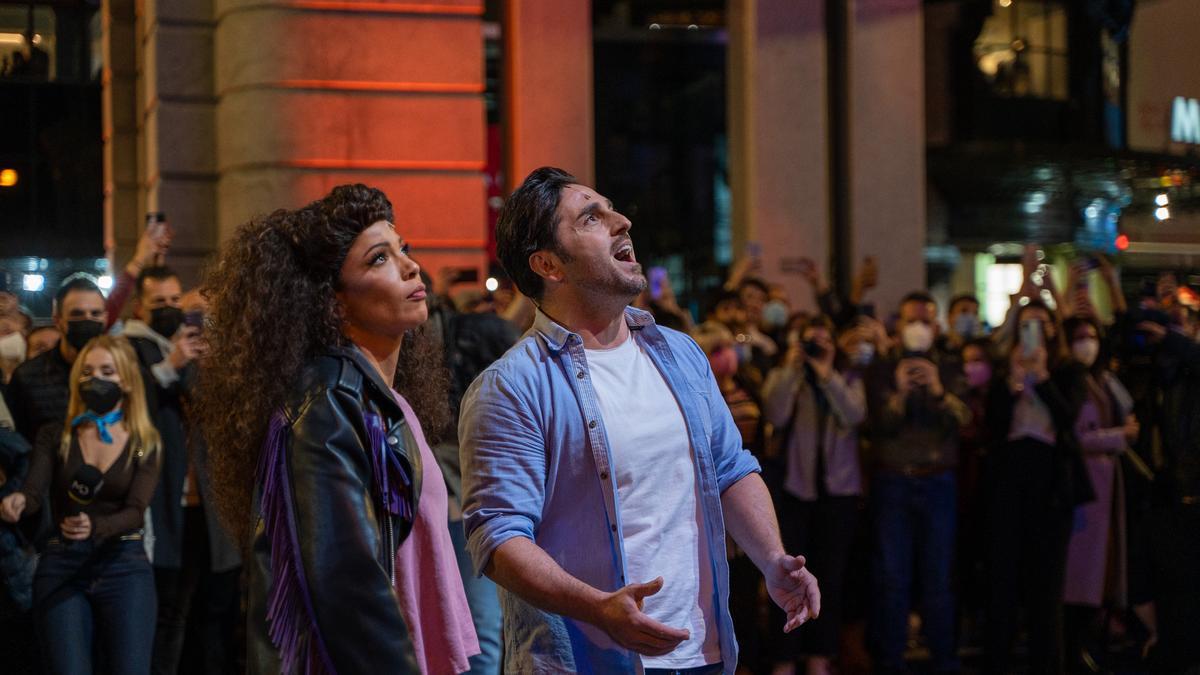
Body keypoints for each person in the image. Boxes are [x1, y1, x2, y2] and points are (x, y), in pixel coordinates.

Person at [459, 167, 820, 674]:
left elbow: (730, 469)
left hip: (705, 653)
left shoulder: (680, 353)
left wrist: (772, 559)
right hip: (589, 661)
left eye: (612, 209)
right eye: (591, 217)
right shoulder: (512, 386)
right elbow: (498, 537)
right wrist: (597, 609)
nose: (622, 221)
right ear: (548, 264)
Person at [194, 185, 478, 673]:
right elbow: (346, 583)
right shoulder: (329, 401)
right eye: (379, 260)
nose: (411, 267)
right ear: (333, 304)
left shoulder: (376, 398)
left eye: (402, 249)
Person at [0, 335, 161, 673]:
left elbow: (136, 511)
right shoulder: (56, 435)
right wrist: (16, 501)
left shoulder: (144, 443)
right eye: (87, 373)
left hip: (124, 564)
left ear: (127, 381)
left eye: (107, 371)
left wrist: (96, 527)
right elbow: (33, 492)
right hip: (62, 565)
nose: (95, 381)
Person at [864, 291, 970, 674]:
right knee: (892, 578)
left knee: (938, 579)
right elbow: (876, 427)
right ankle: (891, 661)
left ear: (937, 326)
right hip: (894, 481)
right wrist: (899, 395)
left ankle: (945, 660)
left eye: (926, 321)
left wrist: (939, 392)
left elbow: (965, 421)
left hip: (938, 480)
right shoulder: (879, 368)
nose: (919, 329)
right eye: (912, 321)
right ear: (898, 326)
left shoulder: (951, 365)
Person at [117, 265, 215, 674]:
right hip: (157, 502)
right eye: (159, 302)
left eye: (176, 301)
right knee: (163, 610)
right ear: (140, 306)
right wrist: (170, 364)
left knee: (201, 610)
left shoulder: (192, 346)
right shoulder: (127, 347)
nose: (170, 309)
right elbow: (131, 405)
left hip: (201, 503)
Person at [983, 300, 1087, 673]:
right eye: (1027, 325)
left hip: (1051, 484)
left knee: (1047, 590)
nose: (1034, 333)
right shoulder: (1003, 371)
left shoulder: (1068, 370)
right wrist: (1012, 385)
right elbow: (992, 427)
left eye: (1042, 325)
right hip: (1009, 481)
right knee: (1003, 585)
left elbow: (1068, 419)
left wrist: (1041, 378)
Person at [762, 315, 866, 675]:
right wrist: (793, 369)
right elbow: (774, 411)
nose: (817, 349)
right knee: (789, 577)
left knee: (831, 578)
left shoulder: (848, 378)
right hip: (795, 490)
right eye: (811, 342)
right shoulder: (786, 377)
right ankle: (785, 660)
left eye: (824, 343)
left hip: (839, 493)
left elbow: (854, 414)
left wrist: (825, 372)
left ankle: (820, 657)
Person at [1061, 316, 1137, 670]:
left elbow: (1128, 405)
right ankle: (1072, 648)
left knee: (1098, 569)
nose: (1087, 344)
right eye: (1079, 337)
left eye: (1092, 337)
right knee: (1080, 574)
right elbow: (1077, 436)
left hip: (1105, 486)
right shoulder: (1070, 383)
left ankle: (1085, 644)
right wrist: (1118, 436)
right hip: (1086, 486)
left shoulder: (1102, 380)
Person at [4, 274, 108, 443]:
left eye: (95, 313)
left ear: (106, 318)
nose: (87, 319)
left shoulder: (123, 372)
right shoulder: (27, 376)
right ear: (57, 320)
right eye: (77, 314)